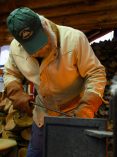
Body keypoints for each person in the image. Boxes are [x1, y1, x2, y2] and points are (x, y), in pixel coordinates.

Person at [4, 7, 106, 157]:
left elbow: (96, 73)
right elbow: (10, 73)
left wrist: (86, 107)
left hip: (76, 113)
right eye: (31, 46)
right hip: (42, 114)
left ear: (43, 26)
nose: (37, 50)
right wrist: (15, 92)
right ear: (20, 43)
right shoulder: (15, 48)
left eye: (39, 41)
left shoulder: (74, 39)